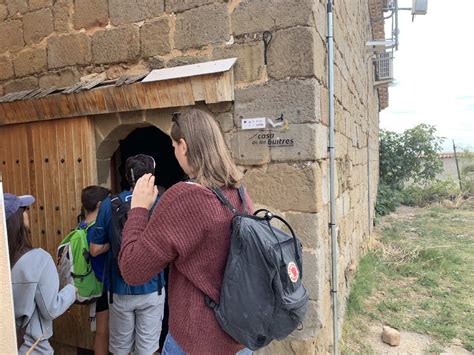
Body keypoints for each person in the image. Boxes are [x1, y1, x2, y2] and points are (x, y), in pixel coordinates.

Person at [118, 109, 253, 354]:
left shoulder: (184, 197)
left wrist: (138, 208)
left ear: (184, 145)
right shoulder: (240, 193)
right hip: (240, 338)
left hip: (196, 342)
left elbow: (132, 269)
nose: (174, 152)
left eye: (173, 146)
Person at [89, 154, 165, 355]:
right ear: (151, 176)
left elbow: (94, 249)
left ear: (126, 176)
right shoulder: (161, 202)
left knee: (121, 349)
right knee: (147, 349)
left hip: (119, 289)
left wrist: (115, 246)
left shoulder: (109, 203)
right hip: (152, 287)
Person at [6, 193, 76, 354]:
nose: (27, 213)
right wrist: (72, 290)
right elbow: (51, 308)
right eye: (24, 209)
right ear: (16, 220)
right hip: (33, 347)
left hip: (9, 344)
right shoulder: (39, 259)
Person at [80, 185, 111, 355]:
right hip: (102, 284)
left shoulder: (81, 227)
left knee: (100, 331)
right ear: (100, 205)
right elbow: (96, 250)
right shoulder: (96, 230)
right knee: (104, 331)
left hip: (88, 282)